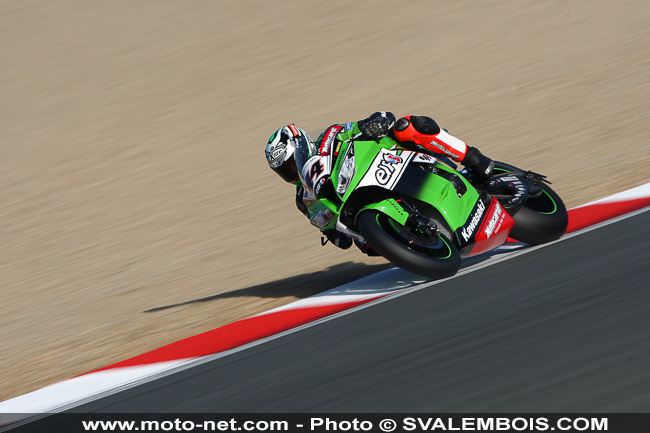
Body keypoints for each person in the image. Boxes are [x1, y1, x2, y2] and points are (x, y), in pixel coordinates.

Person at [264, 112, 495, 252]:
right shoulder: (303, 199)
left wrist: (373, 123)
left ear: (303, 146)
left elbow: (364, 124)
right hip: (358, 209)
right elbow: (332, 231)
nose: (292, 171)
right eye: (285, 170)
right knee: (366, 246)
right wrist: (332, 231)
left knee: (408, 126)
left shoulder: (331, 136)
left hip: (391, 160)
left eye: (293, 163)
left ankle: (475, 160)